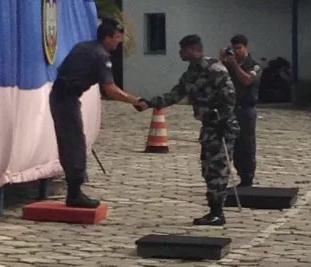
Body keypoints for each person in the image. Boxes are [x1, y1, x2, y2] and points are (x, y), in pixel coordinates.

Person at [136, 35, 239, 226]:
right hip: (208, 127)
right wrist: (149, 103)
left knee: (218, 168)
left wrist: (220, 119)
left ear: (193, 49)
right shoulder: (191, 73)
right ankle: (214, 210)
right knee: (208, 168)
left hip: (222, 126)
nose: (179, 53)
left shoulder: (214, 69)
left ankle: (218, 213)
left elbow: (230, 97)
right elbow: (176, 94)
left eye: (182, 49)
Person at [49, 18, 146, 208]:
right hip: (66, 99)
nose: (119, 42)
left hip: (60, 96)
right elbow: (109, 89)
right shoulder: (100, 55)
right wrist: (134, 100)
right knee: (75, 143)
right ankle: (75, 194)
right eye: (117, 38)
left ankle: (74, 189)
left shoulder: (83, 46)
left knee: (69, 142)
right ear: (107, 38)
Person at [220, 35, 262, 187]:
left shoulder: (254, 65)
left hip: (246, 110)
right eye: (234, 48)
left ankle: (247, 178)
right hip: (230, 108)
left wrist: (235, 65)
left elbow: (247, 80)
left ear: (246, 48)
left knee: (247, 144)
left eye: (239, 48)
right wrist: (223, 62)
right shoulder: (228, 65)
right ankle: (227, 177)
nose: (236, 52)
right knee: (232, 144)